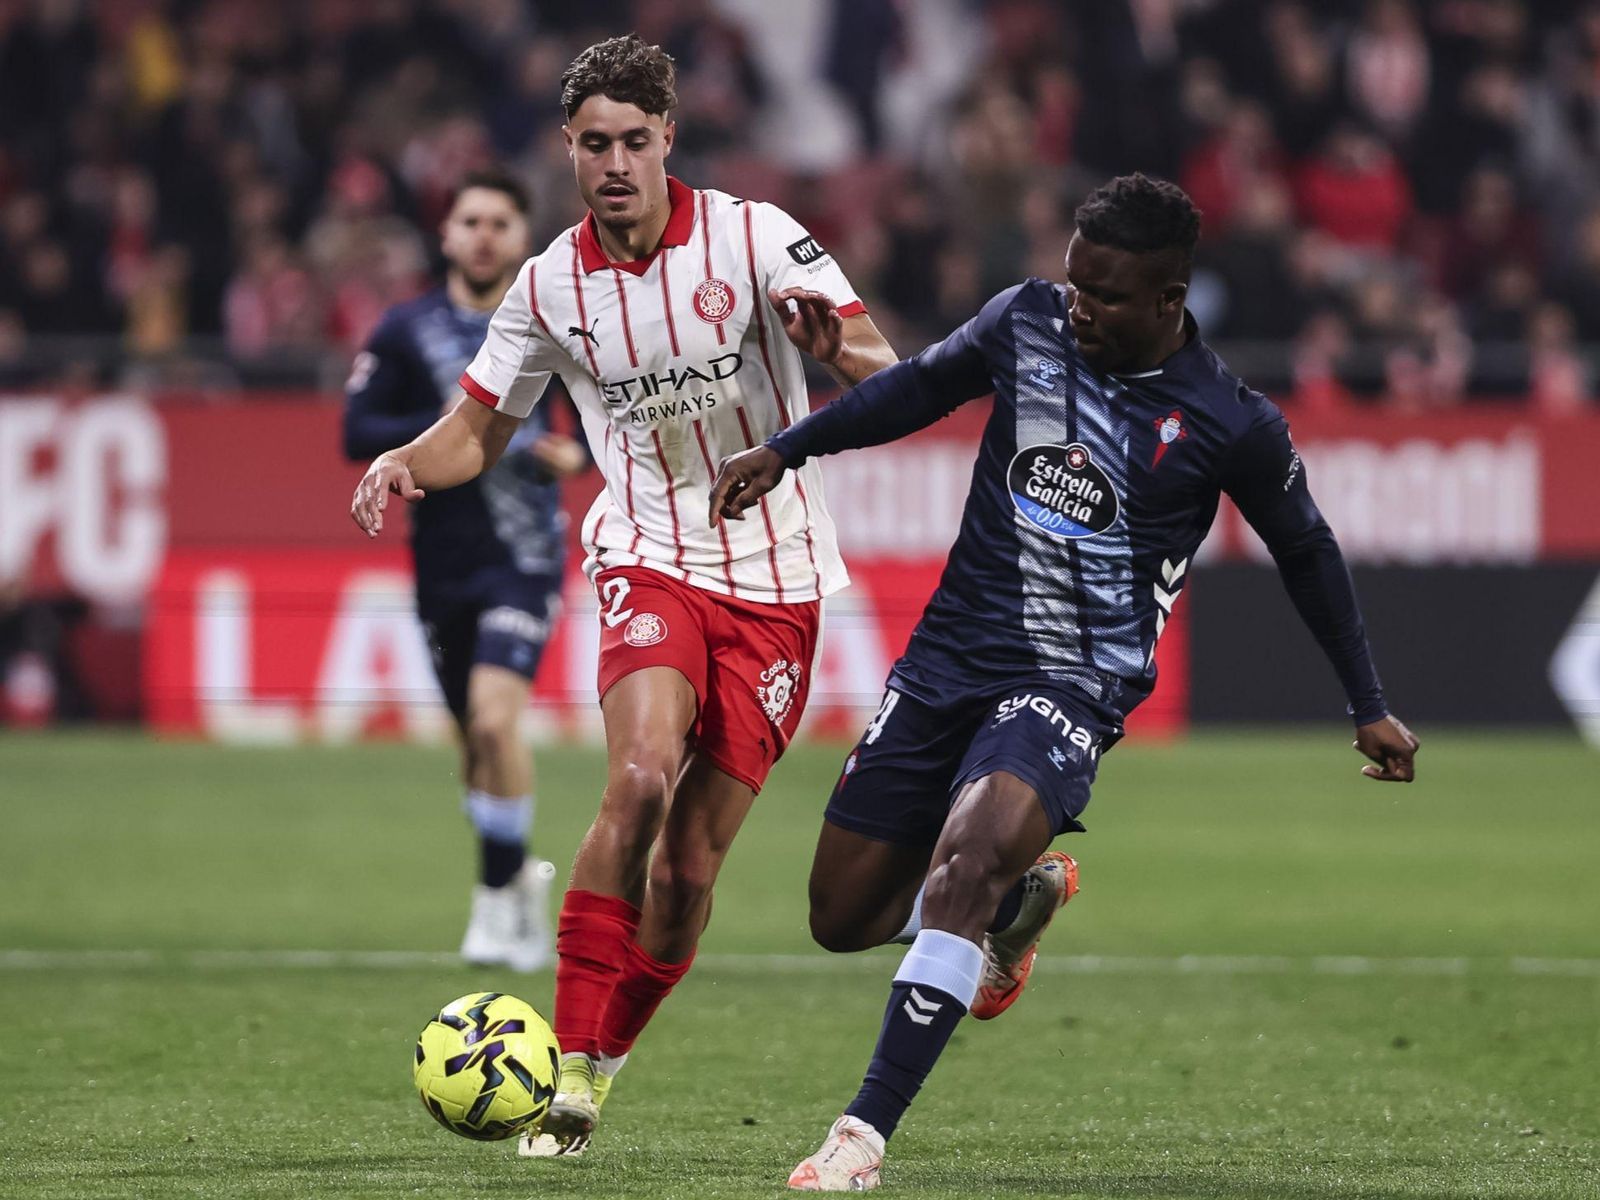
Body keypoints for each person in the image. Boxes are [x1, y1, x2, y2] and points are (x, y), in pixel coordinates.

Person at [709, 173, 1420, 1191]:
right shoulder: (1026, 320)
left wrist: (1366, 702)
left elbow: (1305, 549)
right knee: (841, 918)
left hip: (1073, 682)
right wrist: (790, 446)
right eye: (1076, 282)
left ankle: (859, 1138)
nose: (1079, 304)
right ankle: (1010, 911)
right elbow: (917, 388)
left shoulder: (1228, 421)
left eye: (1108, 294)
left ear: (1170, 299)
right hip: (948, 654)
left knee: (967, 855)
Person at [349, 34, 897, 1157]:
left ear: (667, 140)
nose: (612, 163)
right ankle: (561, 1060)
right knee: (638, 778)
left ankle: (601, 1061)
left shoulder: (757, 239)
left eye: (632, 142)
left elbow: (891, 375)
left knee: (690, 869)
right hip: (647, 552)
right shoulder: (550, 284)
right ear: (567, 148)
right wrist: (406, 459)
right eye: (592, 143)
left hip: (778, 575)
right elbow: (477, 430)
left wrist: (831, 350)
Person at [342, 169, 590, 973]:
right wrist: (461, 422)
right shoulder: (405, 331)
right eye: (470, 220)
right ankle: (517, 872)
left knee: (494, 721)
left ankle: (496, 900)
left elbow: (598, 422)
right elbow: (356, 429)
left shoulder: (551, 327)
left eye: (500, 222)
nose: (484, 235)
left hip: (524, 559)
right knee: (473, 745)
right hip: (440, 563)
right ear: (447, 235)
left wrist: (568, 455)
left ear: (523, 239)